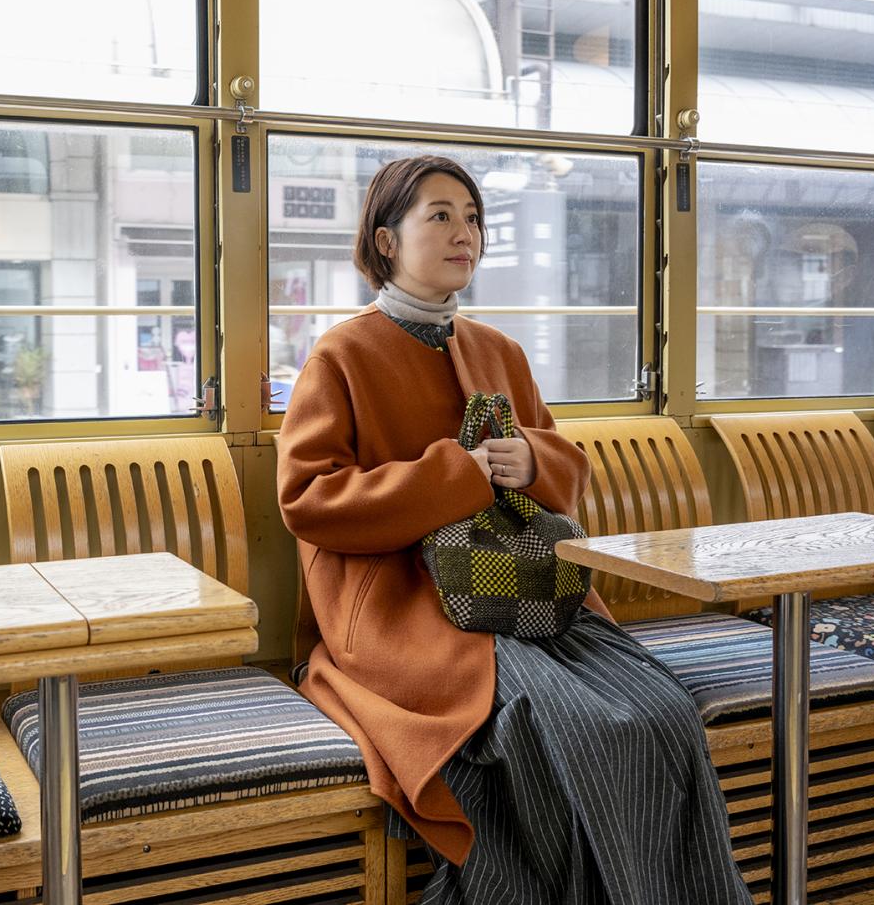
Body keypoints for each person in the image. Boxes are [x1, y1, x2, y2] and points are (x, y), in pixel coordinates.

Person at [277, 155, 749, 904]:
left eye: (472, 217)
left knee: (662, 708)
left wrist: (532, 458)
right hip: (409, 612)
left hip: (526, 593)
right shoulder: (340, 355)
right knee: (562, 724)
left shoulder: (500, 351)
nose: (465, 232)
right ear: (387, 239)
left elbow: (562, 466)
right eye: (440, 215)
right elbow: (308, 498)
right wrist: (458, 473)